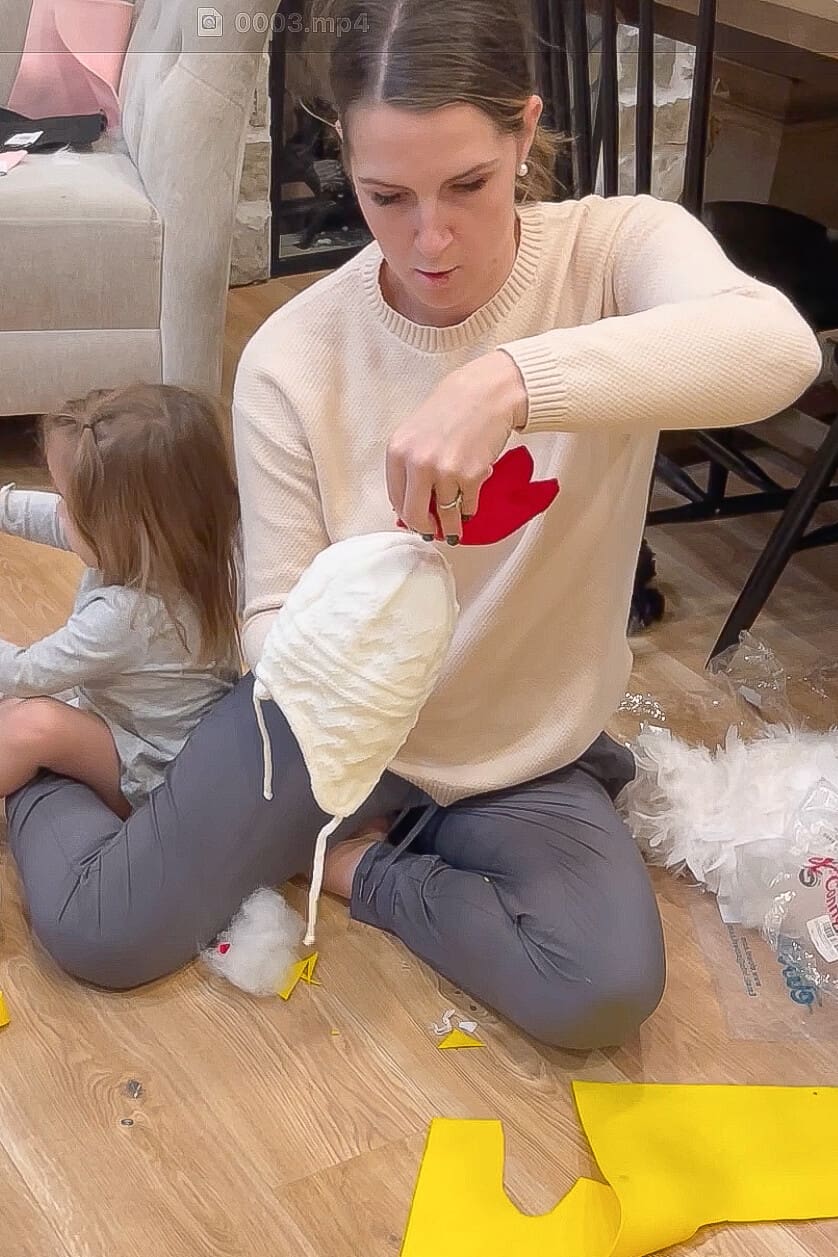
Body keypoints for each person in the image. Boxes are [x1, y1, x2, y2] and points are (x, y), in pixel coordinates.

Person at [5, 0, 821, 1049]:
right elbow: (266, 625)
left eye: (468, 186)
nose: (429, 239)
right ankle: (49, 741)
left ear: (524, 133)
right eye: (384, 196)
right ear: (343, 155)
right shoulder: (296, 357)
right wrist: (355, 623)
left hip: (516, 750)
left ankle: (345, 861)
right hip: (324, 729)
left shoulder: (614, 254)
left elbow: (777, 350)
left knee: (600, 989)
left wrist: (510, 380)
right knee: (101, 934)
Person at [0, 384, 241, 816]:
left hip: (153, 777)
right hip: (150, 738)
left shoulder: (128, 616)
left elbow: (25, 672)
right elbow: (52, 521)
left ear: (114, 530)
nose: (58, 512)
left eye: (67, 505)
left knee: (30, 723)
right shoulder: (183, 551)